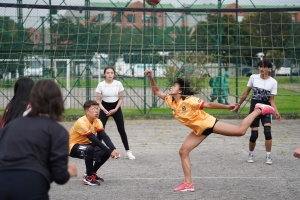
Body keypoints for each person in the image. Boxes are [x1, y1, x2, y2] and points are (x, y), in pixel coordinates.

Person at [144, 69, 275, 192]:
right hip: (198, 130)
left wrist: (227, 106)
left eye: (174, 86)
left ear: (180, 91)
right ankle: (188, 184)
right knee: (183, 151)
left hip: (208, 124)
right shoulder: (171, 100)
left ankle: (258, 110)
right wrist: (151, 77)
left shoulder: (190, 100)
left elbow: (209, 104)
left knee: (240, 131)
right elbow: (157, 92)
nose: (171, 87)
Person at [0, 79, 77, 200]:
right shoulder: (57, 131)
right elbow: (59, 176)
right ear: (59, 102)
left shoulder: (10, 126)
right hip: (31, 185)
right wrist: (68, 172)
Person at [233, 59, 281, 165]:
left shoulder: (273, 82)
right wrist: (238, 105)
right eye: (260, 66)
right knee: (254, 134)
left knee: (267, 131)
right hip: (255, 110)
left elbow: (271, 99)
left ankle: (268, 156)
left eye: (264, 67)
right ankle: (250, 154)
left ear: (269, 69)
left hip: (266, 110)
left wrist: (276, 112)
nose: (261, 69)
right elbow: (246, 92)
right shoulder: (253, 78)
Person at [69, 100, 120, 186]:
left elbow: (104, 136)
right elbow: (94, 139)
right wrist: (109, 151)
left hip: (86, 144)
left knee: (105, 152)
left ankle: (92, 172)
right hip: (72, 146)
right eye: (93, 109)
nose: (97, 111)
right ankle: (88, 178)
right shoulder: (81, 122)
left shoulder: (97, 121)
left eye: (97, 108)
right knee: (90, 149)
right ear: (87, 111)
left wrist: (113, 149)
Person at [95, 66, 135, 160]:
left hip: (116, 107)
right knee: (100, 130)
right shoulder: (101, 85)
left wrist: (116, 109)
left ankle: (128, 151)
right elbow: (97, 100)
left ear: (114, 74)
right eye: (108, 73)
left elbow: (121, 98)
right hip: (104, 107)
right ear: (104, 74)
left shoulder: (118, 83)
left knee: (121, 129)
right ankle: (97, 151)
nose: (110, 74)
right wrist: (104, 110)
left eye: (111, 73)